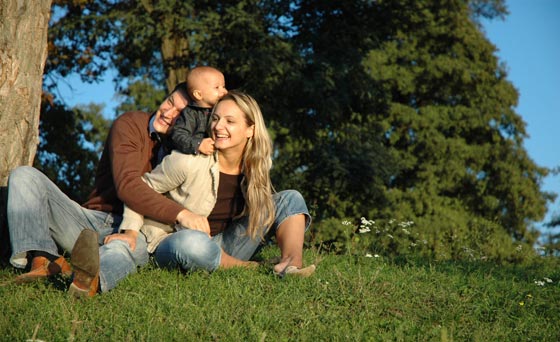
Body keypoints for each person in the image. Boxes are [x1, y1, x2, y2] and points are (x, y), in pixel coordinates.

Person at [7, 82, 189, 297]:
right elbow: (127, 185)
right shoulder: (131, 124)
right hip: (92, 219)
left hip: (136, 229)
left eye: (179, 113)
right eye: (170, 102)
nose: (168, 112)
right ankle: (44, 259)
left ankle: (89, 279)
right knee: (24, 176)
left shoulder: (185, 153)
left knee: (123, 249)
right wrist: (181, 214)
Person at [116, 90, 316, 276]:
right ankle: (252, 268)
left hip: (224, 243)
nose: (218, 126)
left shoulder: (258, 165)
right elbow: (141, 190)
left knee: (290, 198)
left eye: (230, 121)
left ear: (250, 130)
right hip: (174, 242)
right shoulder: (187, 161)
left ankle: (290, 265)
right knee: (193, 243)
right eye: (215, 118)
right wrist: (130, 231)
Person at [169, 66, 228, 156]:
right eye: (217, 87)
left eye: (223, 87)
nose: (224, 91)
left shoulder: (222, 110)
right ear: (198, 94)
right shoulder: (190, 114)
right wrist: (198, 144)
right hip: (194, 158)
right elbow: (178, 135)